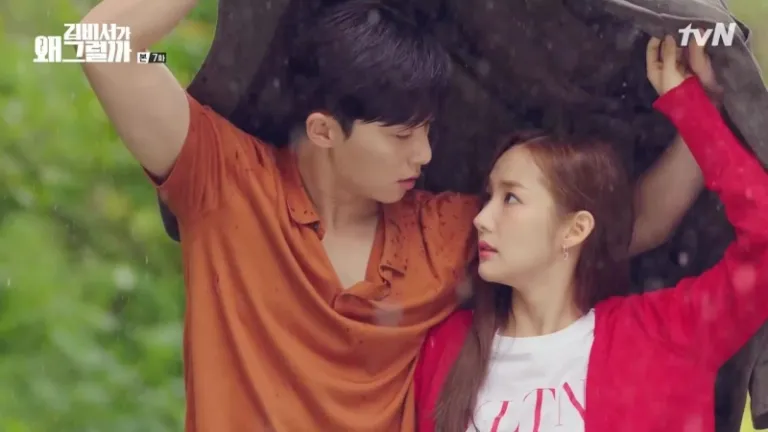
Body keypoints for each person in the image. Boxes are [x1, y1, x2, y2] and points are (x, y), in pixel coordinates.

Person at [79, 0, 705, 429]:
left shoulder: (444, 233)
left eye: (428, 130)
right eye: (403, 136)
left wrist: (702, 110)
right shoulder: (226, 183)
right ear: (324, 130)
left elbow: (624, 226)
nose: (425, 155)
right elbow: (100, 45)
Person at [413, 36, 768, 432]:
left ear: (575, 229)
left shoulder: (664, 336)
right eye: (489, 196)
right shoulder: (446, 344)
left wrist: (694, 108)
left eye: (511, 198)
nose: (481, 218)